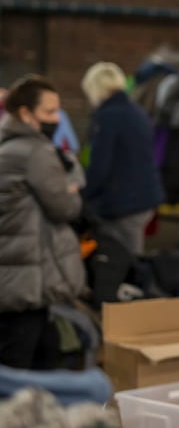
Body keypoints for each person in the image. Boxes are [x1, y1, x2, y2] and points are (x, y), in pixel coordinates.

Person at [0, 75, 86, 369]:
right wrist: (72, 189)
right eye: (49, 112)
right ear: (25, 113)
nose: (57, 118)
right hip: (29, 276)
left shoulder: (6, 146)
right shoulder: (36, 152)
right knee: (23, 361)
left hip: (11, 270)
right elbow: (63, 207)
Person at [81, 62, 163, 255]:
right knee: (132, 253)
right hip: (143, 197)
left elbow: (100, 166)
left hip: (123, 202)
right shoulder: (137, 112)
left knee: (121, 262)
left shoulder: (108, 117)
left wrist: (83, 195)